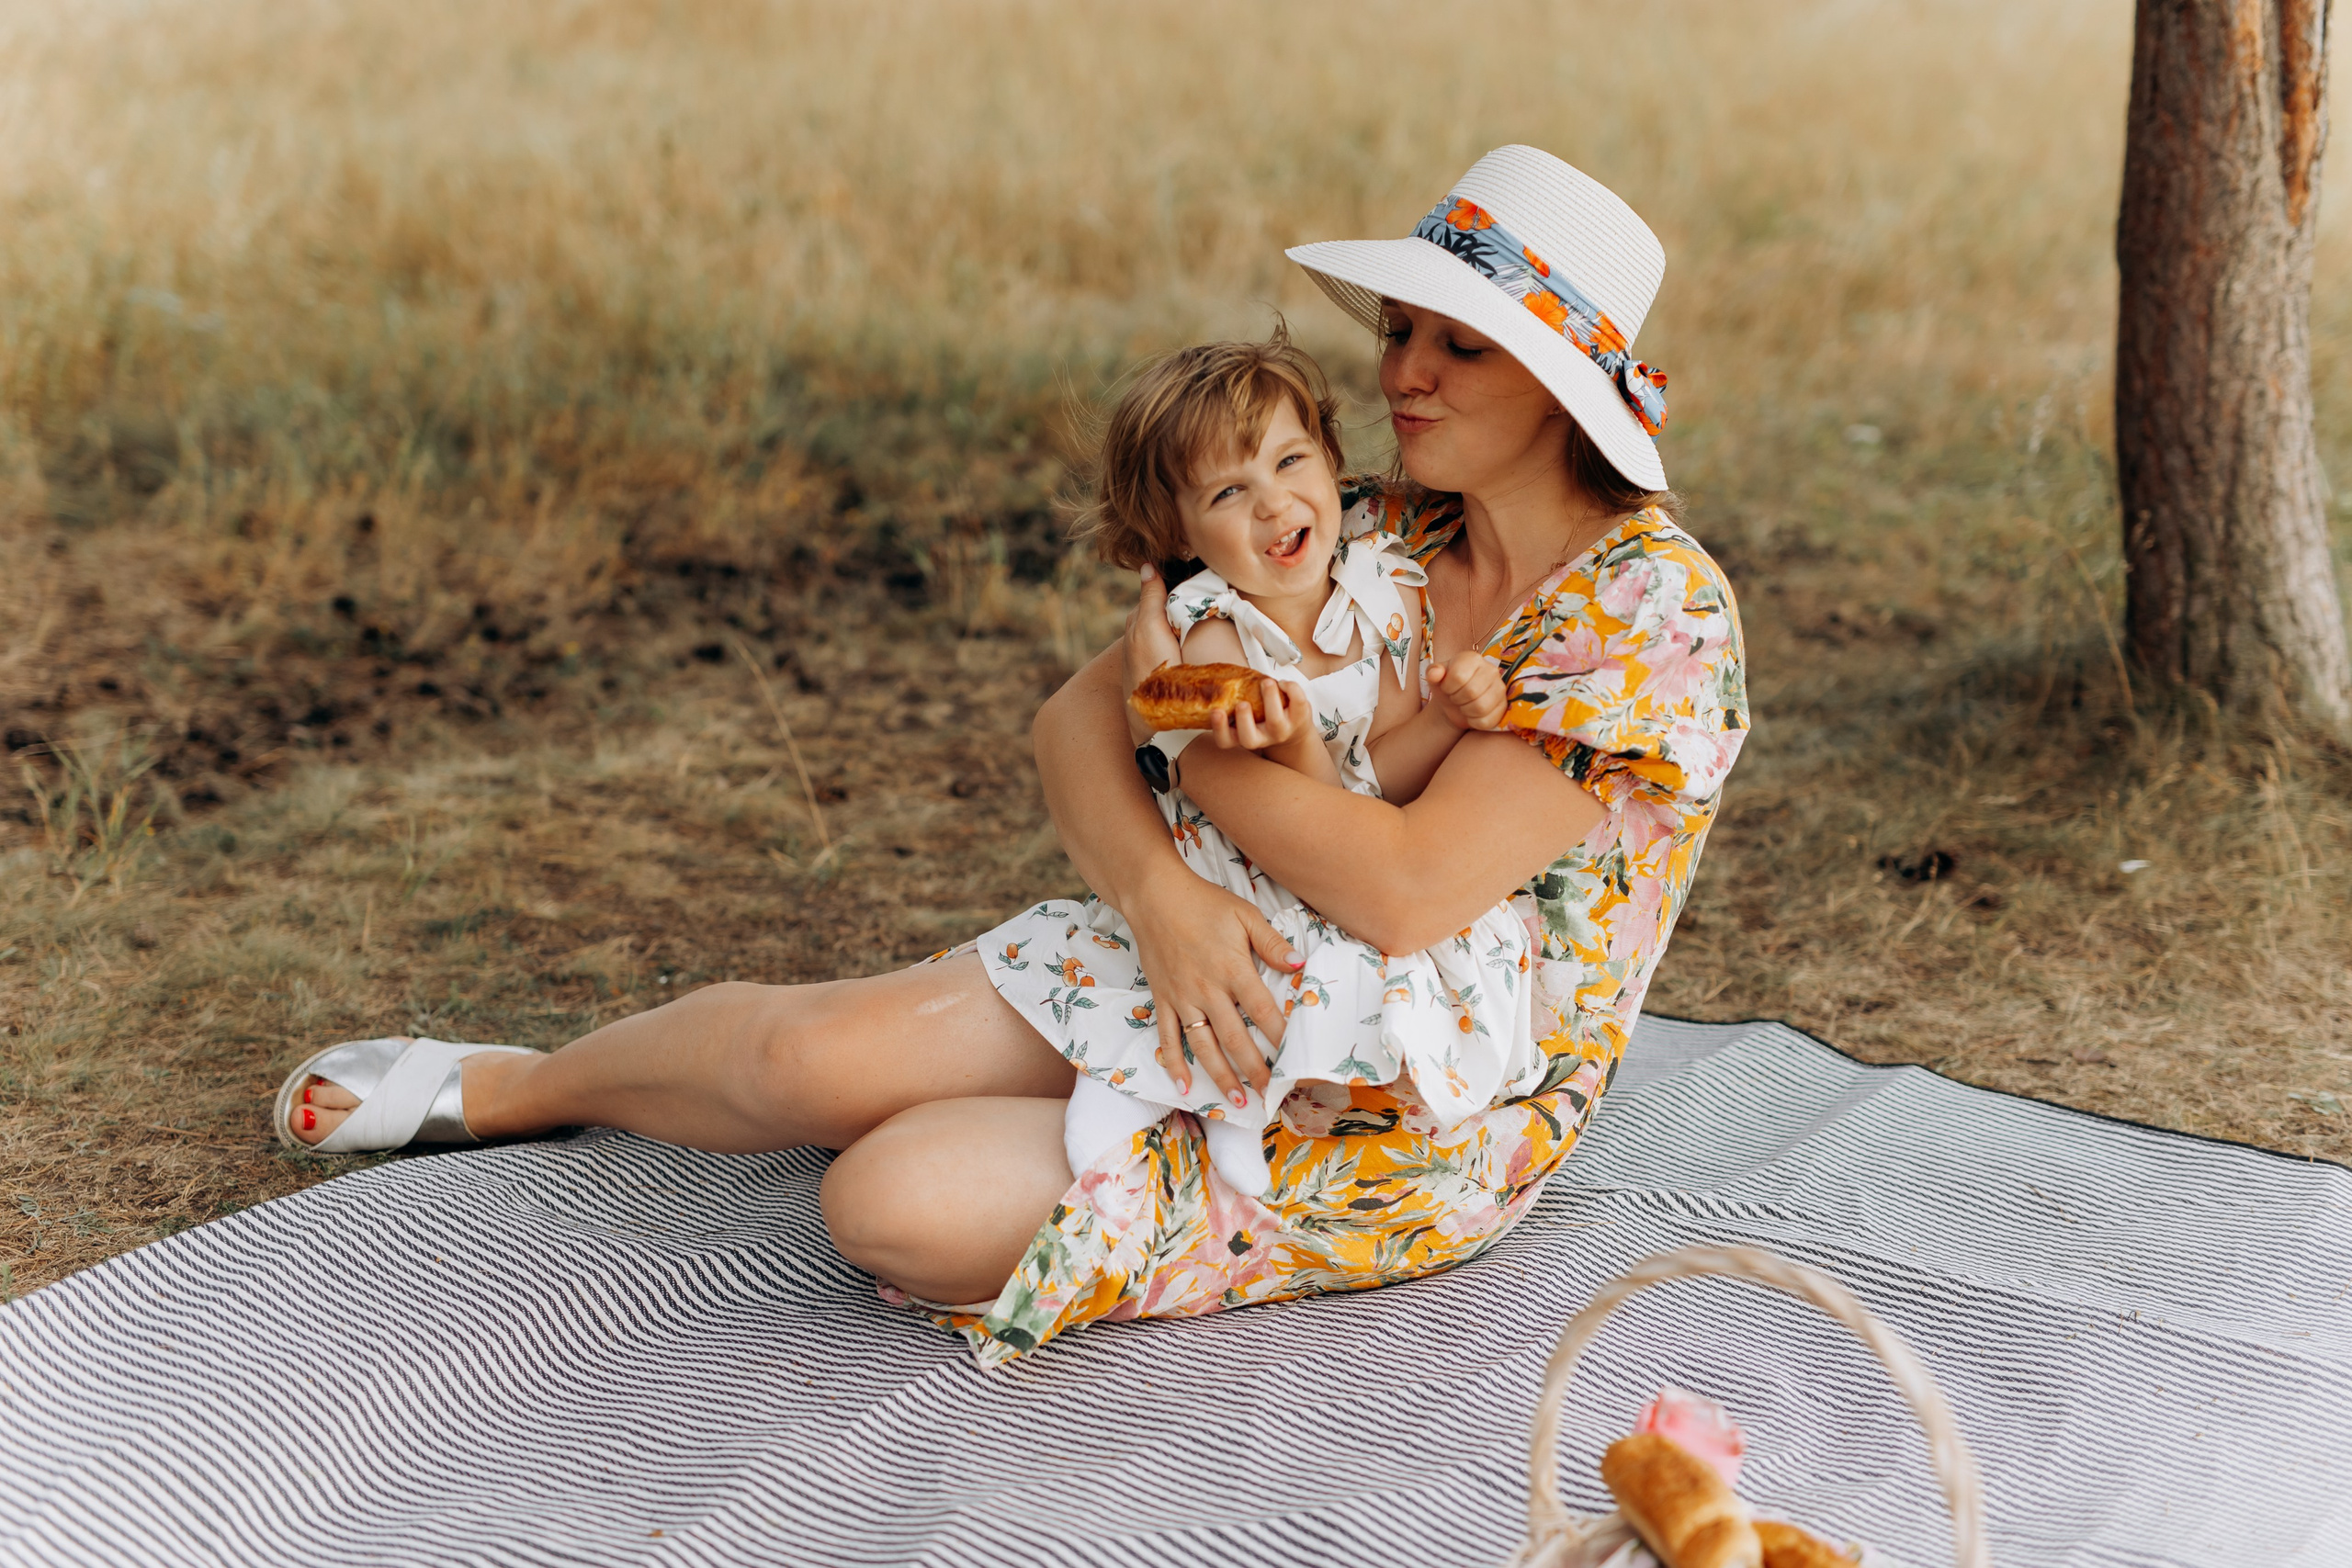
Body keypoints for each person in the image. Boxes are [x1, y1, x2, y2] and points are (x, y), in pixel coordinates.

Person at [274, 145, 1747, 1368]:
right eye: (1400, 330)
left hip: (1404, 1095)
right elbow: (1073, 719)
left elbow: (1413, 887)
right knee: (806, 1052)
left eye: (1458, 344)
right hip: (1218, 952)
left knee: (889, 1197)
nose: (1404, 372)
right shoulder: (1372, 522)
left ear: (1565, 387)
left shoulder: (1652, 610)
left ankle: (1057, 1112)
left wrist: (1205, 770)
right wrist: (1163, 904)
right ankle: (522, 1085)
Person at [1034, 331, 1544, 1201]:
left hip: (1336, 851)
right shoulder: (1214, 627)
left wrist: (1448, 720)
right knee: (1275, 962)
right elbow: (1170, 723)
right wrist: (1216, 708)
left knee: (1384, 964)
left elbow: (1371, 779)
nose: (1274, 505)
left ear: (1331, 460)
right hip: (1251, 872)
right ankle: (1154, 1091)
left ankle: (1271, 1098)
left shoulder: (1389, 588)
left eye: (1291, 461)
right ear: (1178, 531)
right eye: (1231, 491)